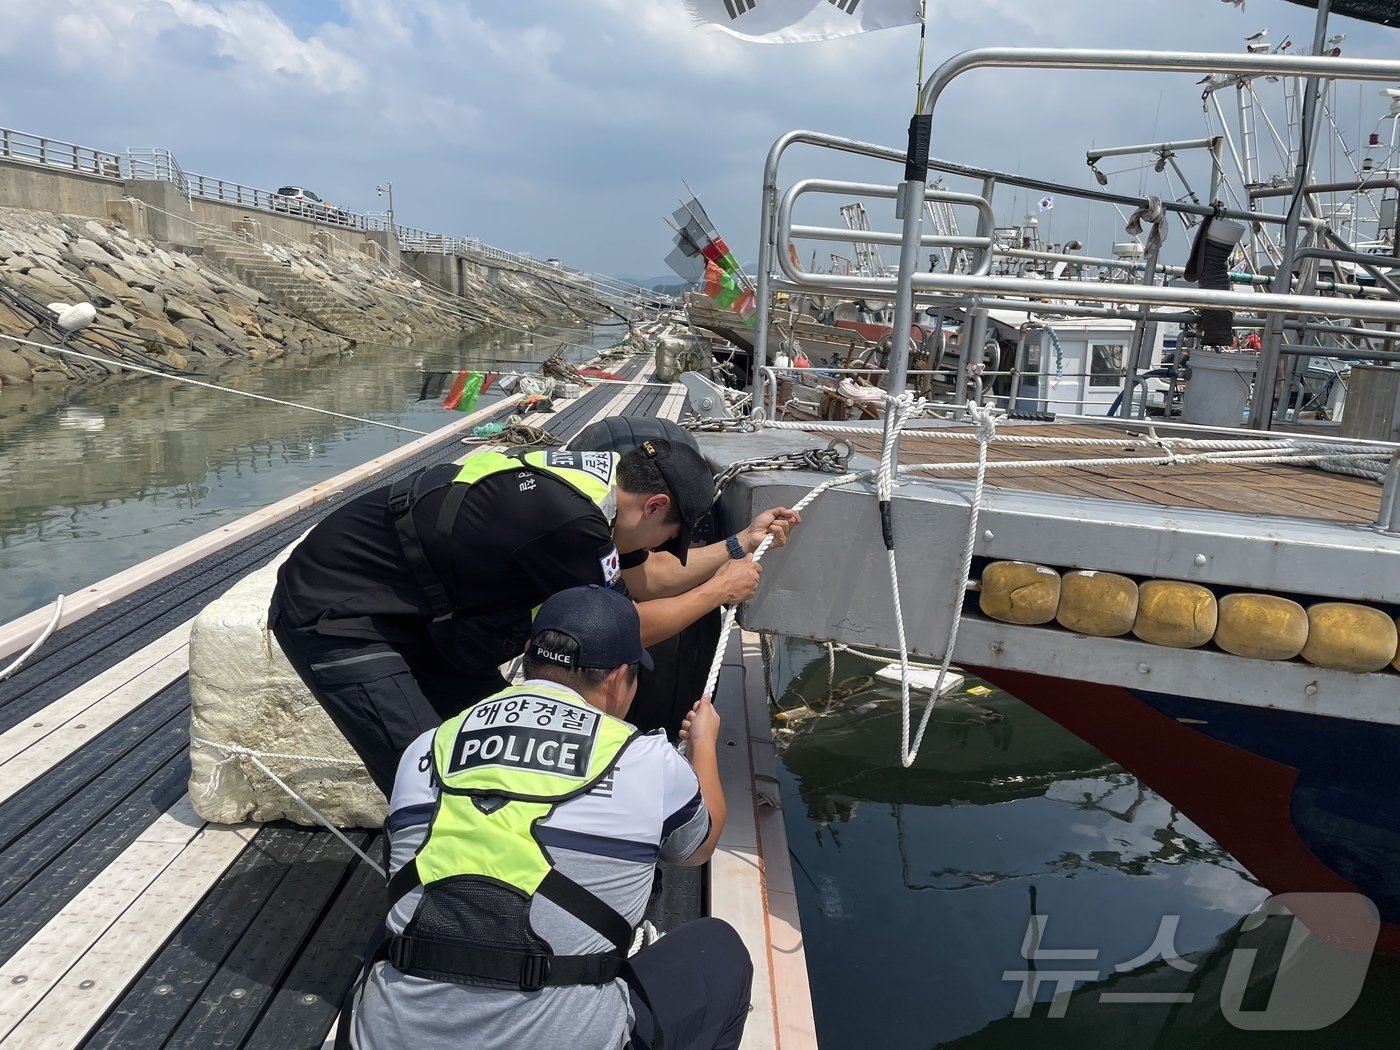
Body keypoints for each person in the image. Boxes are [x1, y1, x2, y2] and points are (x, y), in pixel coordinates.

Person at [270, 437, 800, 793]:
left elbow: (646, 575)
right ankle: (438, 918)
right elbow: (615, 632)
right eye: (671, 533)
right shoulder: (565, 522)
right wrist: (715, 594)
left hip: (421, 614)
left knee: (496, 753)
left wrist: (739, 544)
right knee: (428, 778)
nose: (669, 546)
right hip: (339, 613)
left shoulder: (597, 493)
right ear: (656, 504)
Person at [348, 584, 752, 1050]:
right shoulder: (647, 759)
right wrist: (703, 744)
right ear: (619, 678)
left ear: (527, 657)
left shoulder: (429, 743)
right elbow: (699, 847)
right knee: (719, 952)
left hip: (381, 1039)